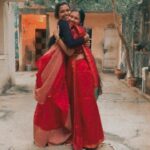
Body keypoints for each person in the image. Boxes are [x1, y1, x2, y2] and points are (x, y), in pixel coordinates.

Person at [33, 2, 89, 148]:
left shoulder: (63, 26)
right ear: (58, 14)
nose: (65, 13)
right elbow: (70, 44)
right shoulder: (63, 24)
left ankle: (43, 136)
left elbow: (57, 45)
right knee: (54, 98)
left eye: (67, 10)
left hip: (51, 63)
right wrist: (84, 39)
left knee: (49, 100)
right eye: (62, 11)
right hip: (55, 65)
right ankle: (51, 135)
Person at [55, 9, 104, 150]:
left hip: (82, 70)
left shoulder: (79, 31)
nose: (72, 19)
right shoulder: (67, 29)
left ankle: (91, 139)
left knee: (86, 103)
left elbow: (71, 47)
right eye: (71, 16)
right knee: (74, 104)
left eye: (76, 18)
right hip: (72, 70)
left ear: (80, 21)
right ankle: (79, 137)